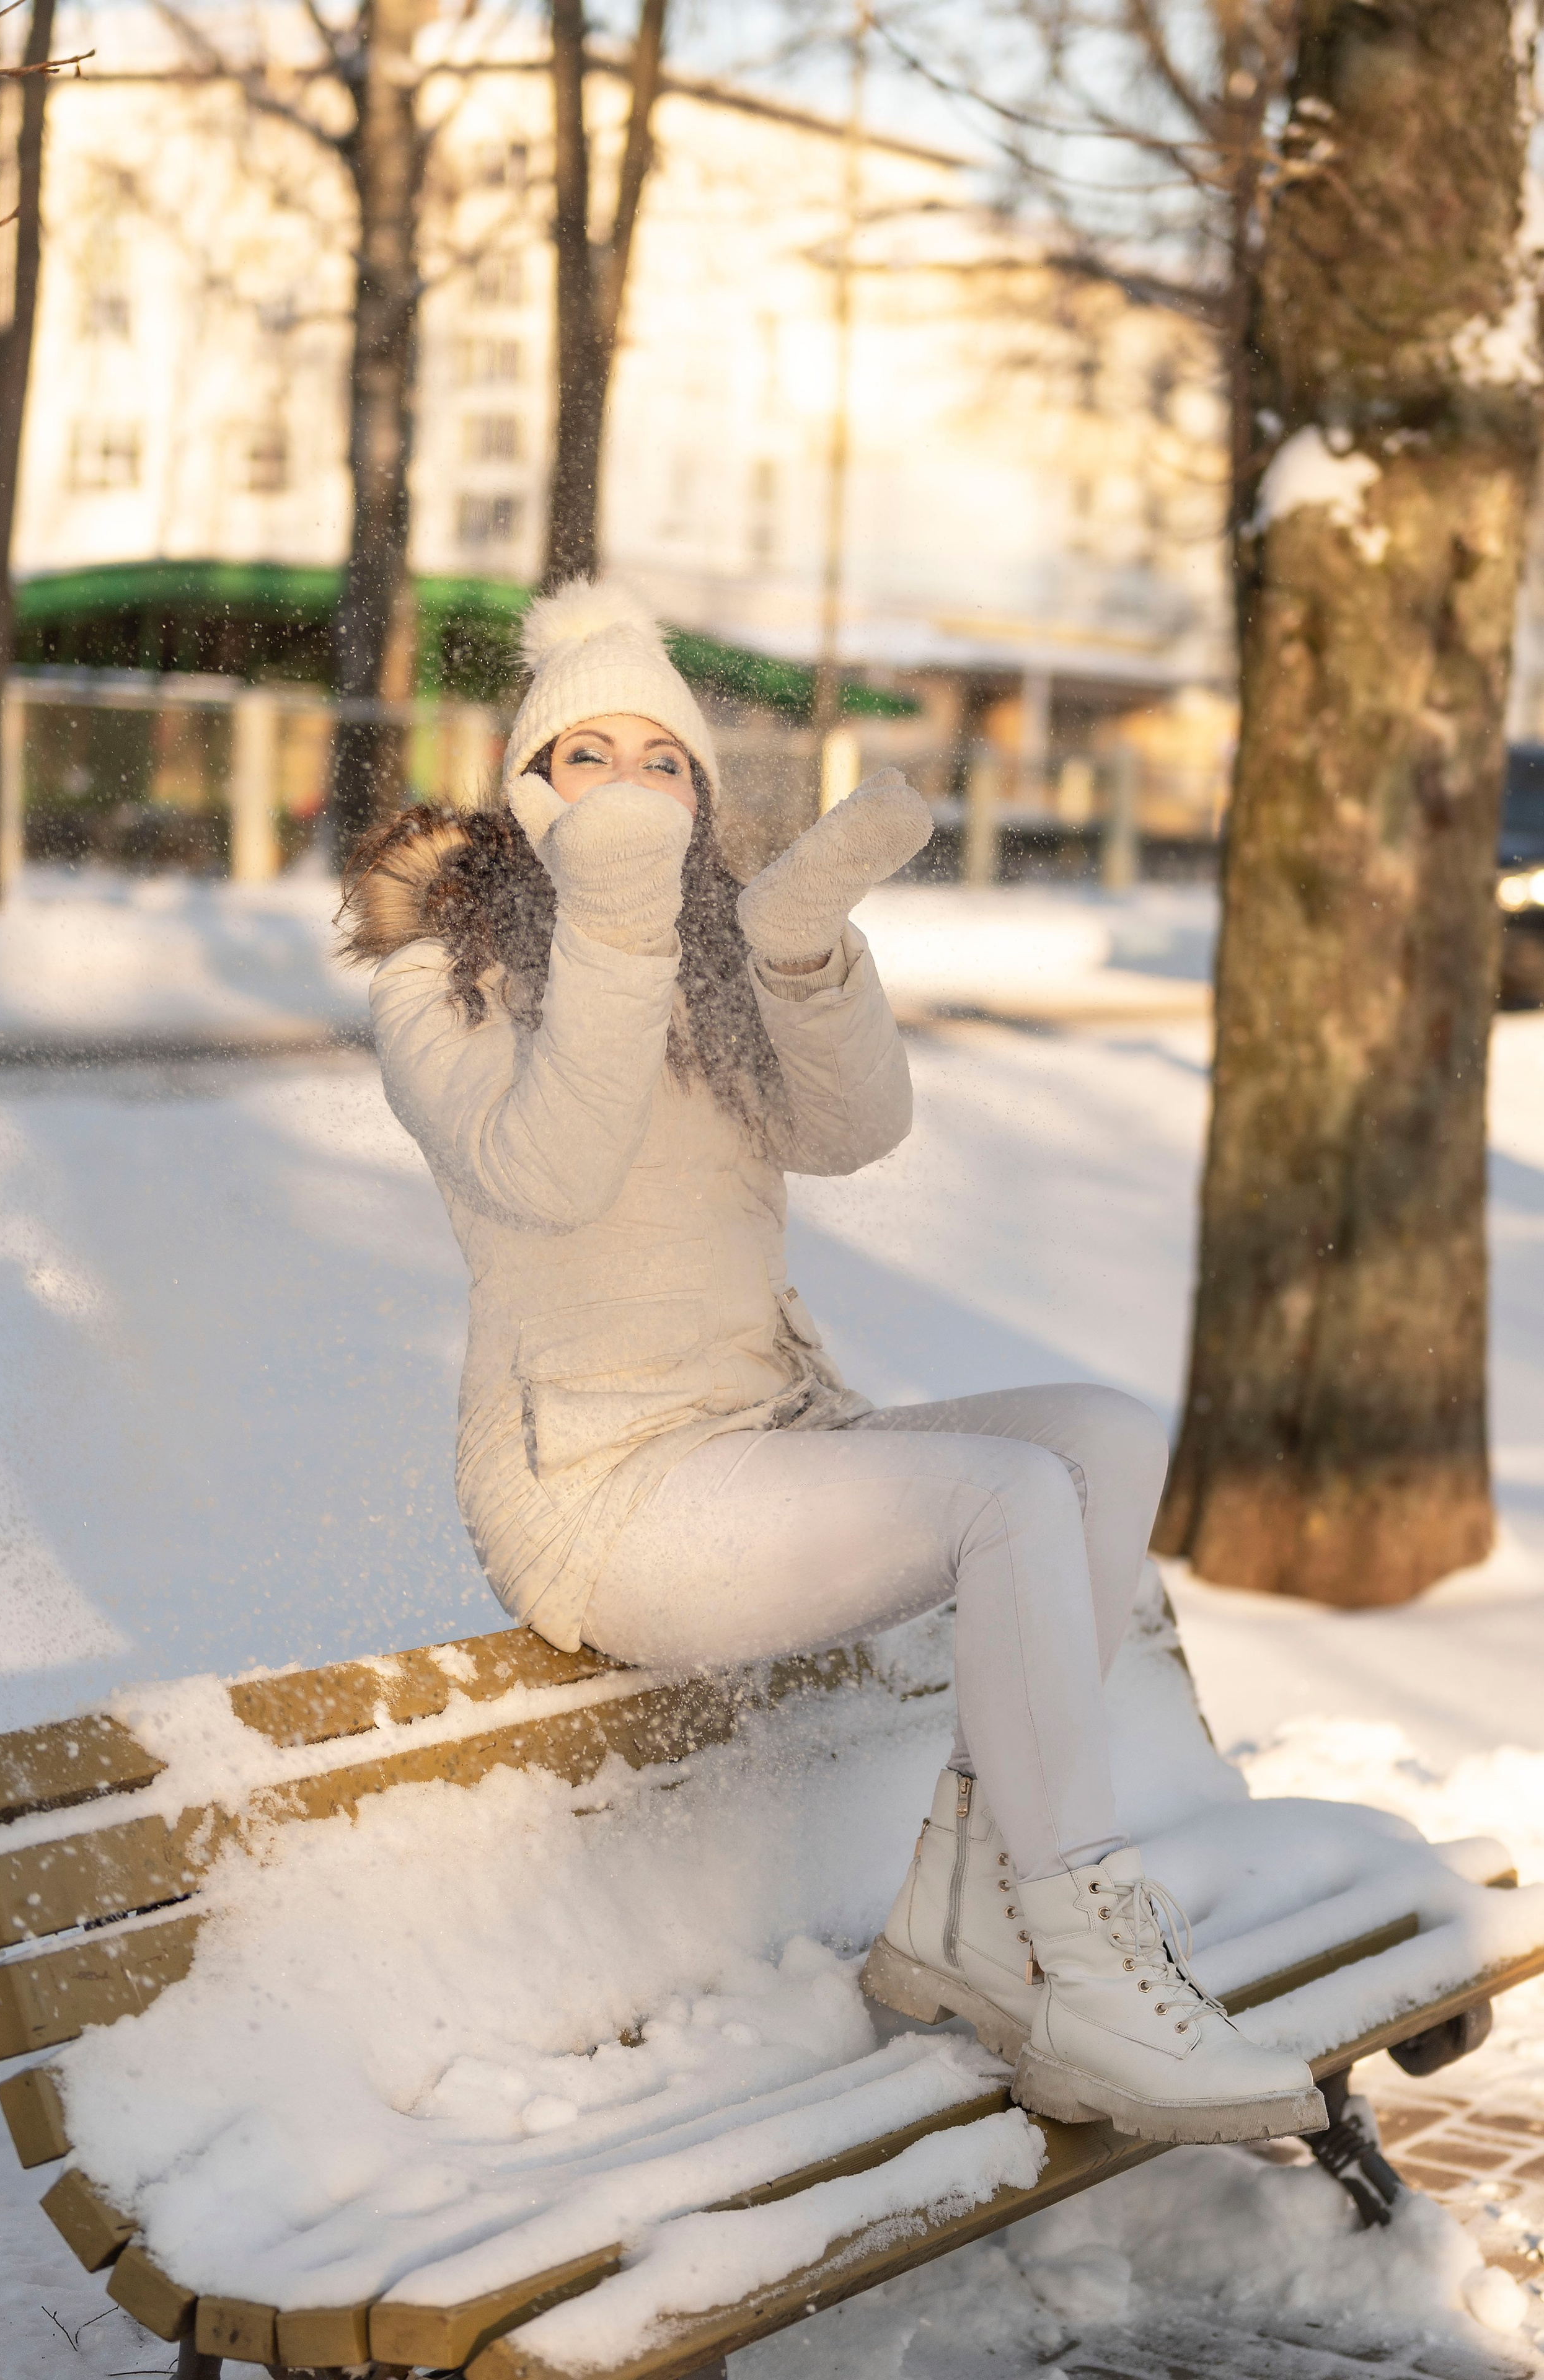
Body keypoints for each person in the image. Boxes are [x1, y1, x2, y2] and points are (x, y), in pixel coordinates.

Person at [343, 580, 1323, 2150]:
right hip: (603, 1496)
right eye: (578, 756)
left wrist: (795, 953)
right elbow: (552, 1169)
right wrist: (608, 923)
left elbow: (853, 1133)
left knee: (1102, 1435)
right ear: (526, 801)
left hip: (767, 1441)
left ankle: (967, 1907)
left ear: (700, 796)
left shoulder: (708, 968)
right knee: (1004, 1498)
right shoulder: (439, 988)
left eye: (659, 761)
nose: (622, 785)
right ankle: (1072, 1964)